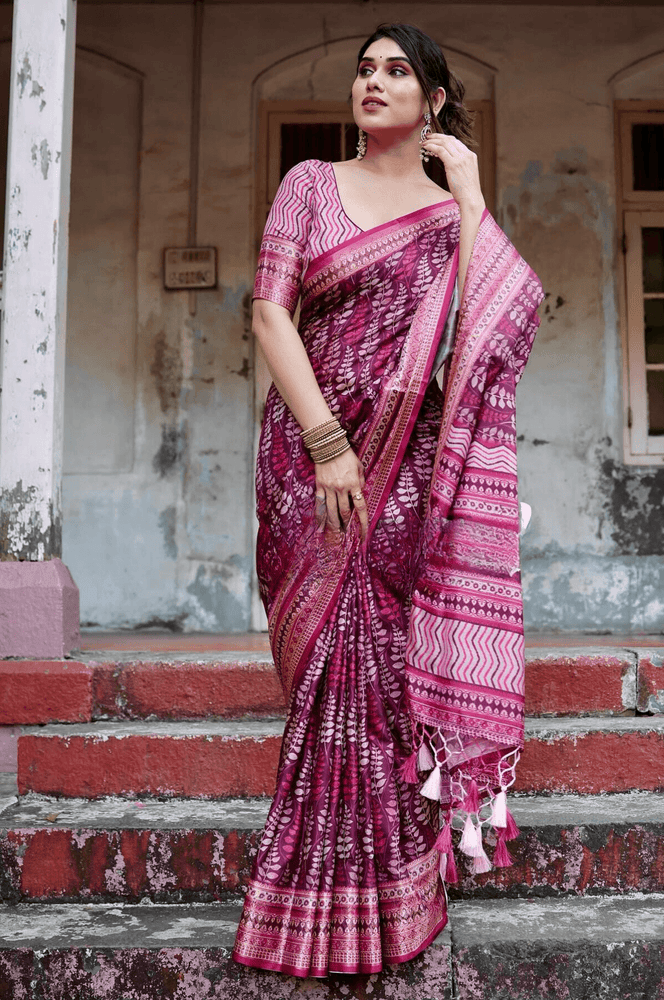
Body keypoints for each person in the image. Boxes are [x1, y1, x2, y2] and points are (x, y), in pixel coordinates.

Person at [232, 22, 543, 979]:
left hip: (408, 467)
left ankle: (393, 901)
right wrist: (326, 443)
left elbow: (501, 320)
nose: (374, 81)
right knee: (322, 672)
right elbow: (269, 309)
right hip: (310, 458)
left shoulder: (455, 218)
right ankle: (310, 900)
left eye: (397, 70)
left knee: (382, 688)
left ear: (435, 101)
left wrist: (475, 196)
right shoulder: (309, 187)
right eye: (364, 68)